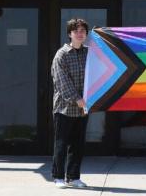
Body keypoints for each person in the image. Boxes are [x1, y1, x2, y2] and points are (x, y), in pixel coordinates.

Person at [50, 18, 90, 189]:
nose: (80, 34)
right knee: (61, 143)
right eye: (76, 31)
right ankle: (58, 177)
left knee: (77, 145)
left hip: (84, 108)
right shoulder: (62, 55)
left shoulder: (89, 53)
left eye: (83, 31)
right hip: (64, 108)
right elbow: (61, 81)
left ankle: (73, 177)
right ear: (69, 34)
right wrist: (77, 99)